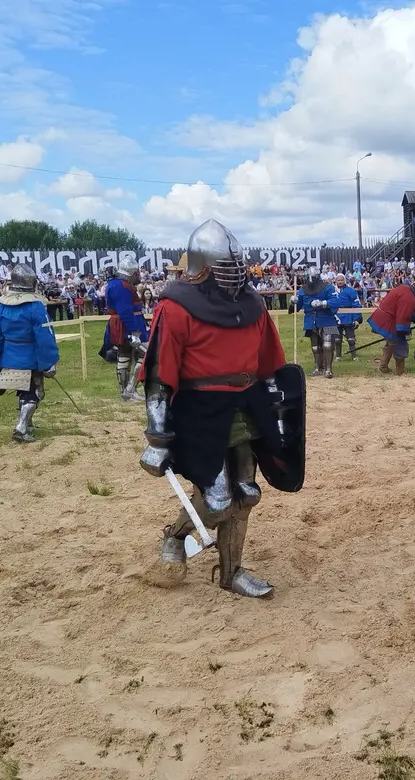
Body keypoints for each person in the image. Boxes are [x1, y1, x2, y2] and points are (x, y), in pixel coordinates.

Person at [139, 218, 305, 598]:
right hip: (199, 410)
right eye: (224, 269)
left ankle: (232, 574)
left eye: (237, 268)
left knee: (246, 493)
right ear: (203, 269)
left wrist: (278, 411)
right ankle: (176, 536)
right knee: (216, 502)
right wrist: (158, 437)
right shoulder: (175, 307)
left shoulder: (253, 305)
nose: (234, 276)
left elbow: (270, 367)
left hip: (245, 407)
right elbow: (159, 376)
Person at [0, 264, 60, 444]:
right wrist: (49, 360)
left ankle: (29, 423)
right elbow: (44, 336)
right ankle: (21, 426)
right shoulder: (35, 306)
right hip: (30, 356)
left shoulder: (1, 304)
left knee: (22, 389)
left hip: (10, 354)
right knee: (35, 392)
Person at [106, 258, 149, 401]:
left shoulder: (116, 284)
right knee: (145, 356)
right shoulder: (122, 286)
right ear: (131, 273)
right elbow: (125, 311)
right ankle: (130, 389)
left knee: (124, 356)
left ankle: (125, 391)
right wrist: (134, 331)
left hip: (123, 324)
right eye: (136, 273)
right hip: (128, 325)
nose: (138, 276)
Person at [369, 281, 415, 375]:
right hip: (389, 320)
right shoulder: (409, 298)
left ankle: (383, 366)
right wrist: (404, 333)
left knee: (391, 343)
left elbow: (406, 312)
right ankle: (401, 371)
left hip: (385, 316)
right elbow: (402, 317)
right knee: (400, 343)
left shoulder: (407, 290)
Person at [295, 267, 341, 378]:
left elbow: (336, 301)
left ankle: (328, 370)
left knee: (328, 345)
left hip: (328, 319)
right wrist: (293, 302)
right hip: (310, 321)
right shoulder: (302, 290)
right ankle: (317, 368)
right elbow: (296, 307)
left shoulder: (328, 287)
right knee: (315, 347)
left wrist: (322, 303)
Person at [333, 273, 362, 362]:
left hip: (348, 316)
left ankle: (354, 356)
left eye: (342, 280)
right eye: (338, 280)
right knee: (337, 339)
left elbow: (356, 304)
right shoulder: (332, 291)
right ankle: (338, 356)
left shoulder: (351, 291)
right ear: (336, 281)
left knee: (351, 339)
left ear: (344, 280)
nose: (340, 282)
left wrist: (357, 318)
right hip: (336, 317)